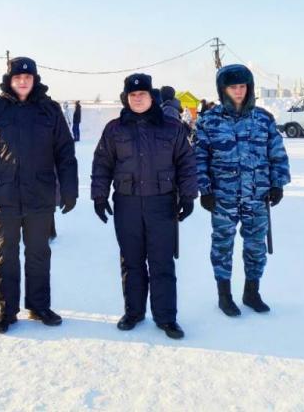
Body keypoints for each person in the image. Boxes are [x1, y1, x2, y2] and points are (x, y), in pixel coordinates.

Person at [0, 57, 78, 334]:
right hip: (4, 195)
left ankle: (39, 306)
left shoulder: (49, 110)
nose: (23, 81)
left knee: (39, 253)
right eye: (18, 77)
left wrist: (69, 190)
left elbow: (65, 153)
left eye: (28, 77)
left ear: (35, 79)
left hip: (40, 194)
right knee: (6, 255)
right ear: (10, 80)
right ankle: (6, 311)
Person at [91, 73, 197, 339]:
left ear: (152, 97)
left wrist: (187, 196)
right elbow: (102, 163)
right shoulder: (114, 129)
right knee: (132, 261)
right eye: (133, 95)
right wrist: (99, 196)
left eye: (143, 94)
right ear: (126, 99)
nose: (138, 99)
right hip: (127, 204)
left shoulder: (171, 128)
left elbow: (186, 163)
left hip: (162, 204)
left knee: (162, 262)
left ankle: (166, 318)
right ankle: (134, 312)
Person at [194, 64, 291, 316]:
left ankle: (252, 293)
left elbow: (277, 153)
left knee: (256, 246)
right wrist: (204, 190)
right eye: (232, 87)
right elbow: (199, 158)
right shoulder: (209, 121)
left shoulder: (263, 119)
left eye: (242, 86)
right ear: (223, 89)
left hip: (257, 196)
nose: (238, 91)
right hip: (223, 197)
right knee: (222, 246)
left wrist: (277, 183)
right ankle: (224, 296)